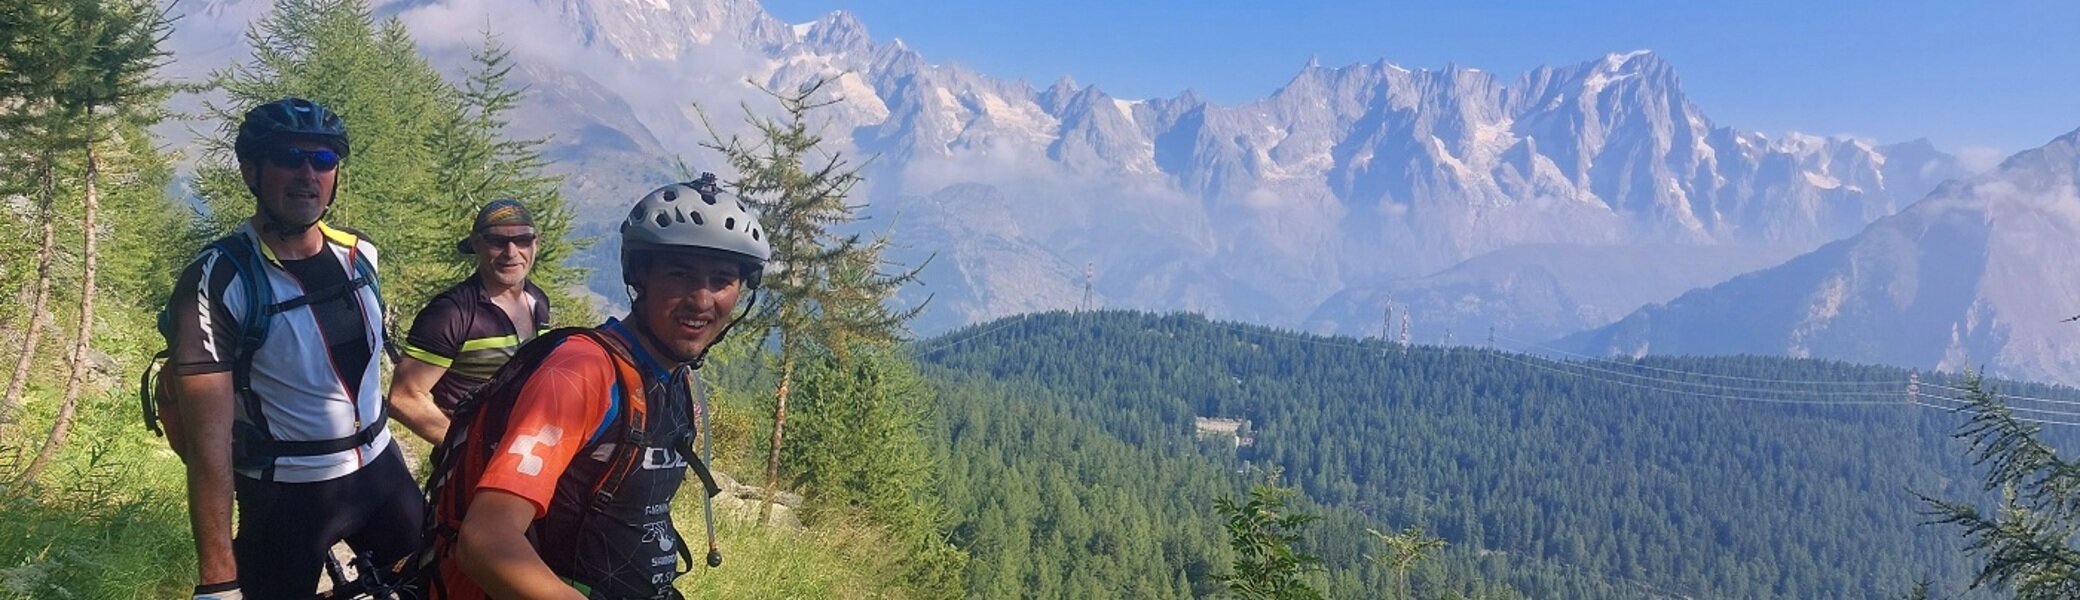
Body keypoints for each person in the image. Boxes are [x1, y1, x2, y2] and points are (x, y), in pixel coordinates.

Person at [444, 177, 767, 599]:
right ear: (640, 276)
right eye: (680, 275)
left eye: (722, 280)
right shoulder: (581, 373)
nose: (702, 300)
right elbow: (486, 541)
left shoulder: (675, 374)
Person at [168, 97, 423, 600]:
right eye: (288, 157)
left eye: (324, 160)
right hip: (286, 494)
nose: (308, 173)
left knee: (435, 582)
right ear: (251, 171)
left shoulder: (359, 253)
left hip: (379, 468)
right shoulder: (218, 278)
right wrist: (218, 580)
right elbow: (208, 445)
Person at [389, 199, 552, 445]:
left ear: (536, 244)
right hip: (469, 471)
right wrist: (467, 451)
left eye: (522, 240)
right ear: (477, 244)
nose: (511, 252)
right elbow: (404, 397)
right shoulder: (451, 312)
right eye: (497, 241)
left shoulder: (538, 301)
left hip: (523, 458)